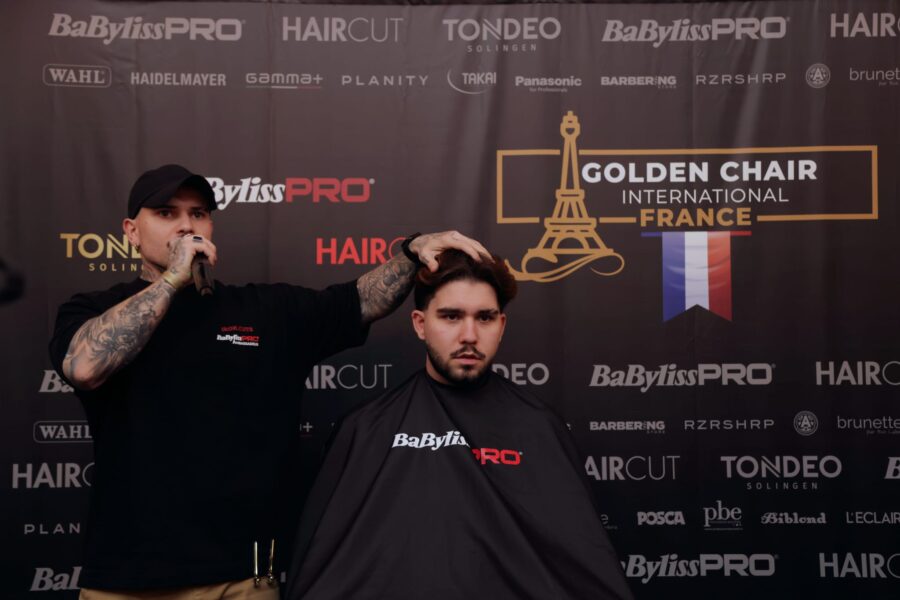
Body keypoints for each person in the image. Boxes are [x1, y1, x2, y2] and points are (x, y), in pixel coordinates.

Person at [48, 164, 489, 599]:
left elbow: (361, 300)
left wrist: (412, 252)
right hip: (128, 581)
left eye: (198, 213)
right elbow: (85, 367)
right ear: (131, 231)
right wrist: (172, 280)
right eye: (166, 213)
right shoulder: (92, 309)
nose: (186, 226)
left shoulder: (264, 311)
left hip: (244, 580)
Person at [285, 249, 633, 600]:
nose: (469, 335)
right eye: (451, 316)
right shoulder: (366, 427)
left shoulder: (540, 427)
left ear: (501, 326)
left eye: (484, 318)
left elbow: (584, 569)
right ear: (420, 324)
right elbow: (323, 569)